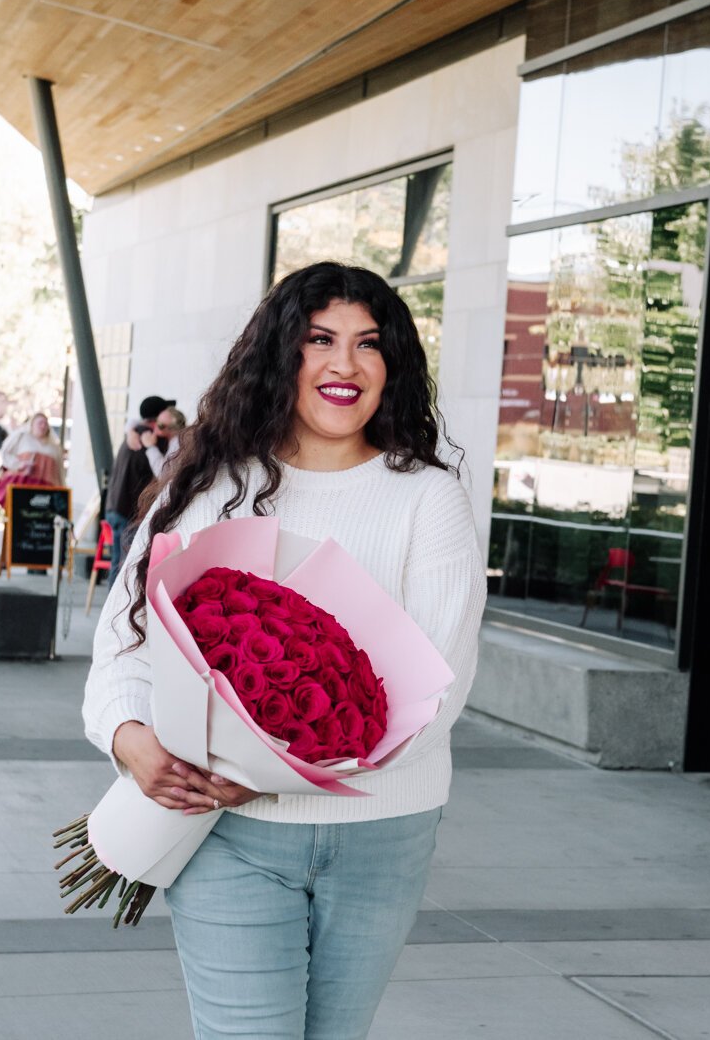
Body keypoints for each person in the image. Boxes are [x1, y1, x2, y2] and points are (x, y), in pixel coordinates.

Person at [82, 262, 485, 1040]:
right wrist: (132, 741)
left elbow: (435, 688)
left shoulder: (427, 497)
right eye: (320, 340)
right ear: (279, 355)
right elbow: (126, 645)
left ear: (391, 366)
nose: (346, 364)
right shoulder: (206, 486)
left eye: (370, 344)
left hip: (383, 833)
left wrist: (268, 771)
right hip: (226, 834)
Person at [104, 395, 175, 566]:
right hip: (129, 511)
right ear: (157, 418)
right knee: (125, 565)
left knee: (118, 563)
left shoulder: (134, 432)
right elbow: (163, 473)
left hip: (114, 507)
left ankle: (111, 594)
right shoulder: (149, 439)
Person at [0, 413, 65, 505]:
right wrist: (19, 464)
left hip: (46, 489)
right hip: (23, 485)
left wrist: (62, 490)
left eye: (45, 424)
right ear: (32, 424)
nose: (43, 426)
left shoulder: (53, 448)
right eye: (40, 423)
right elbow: (5, 452)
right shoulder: (22, 438)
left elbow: (59, 471)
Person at [143, 405, 185, 478]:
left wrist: (151, 447)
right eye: (156, 420)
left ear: (173, 429)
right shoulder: (172, 440)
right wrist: (130, 430)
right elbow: (138, 421)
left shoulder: (178, 444)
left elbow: (163, 474)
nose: (155, 425)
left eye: (160, 425)